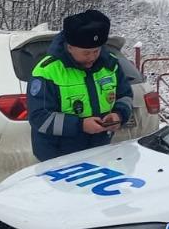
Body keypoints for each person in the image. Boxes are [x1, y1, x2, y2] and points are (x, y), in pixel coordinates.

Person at [27, 9, 134, 162]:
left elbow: (126, 96)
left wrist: (119, 114)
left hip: (99, 151)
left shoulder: (110, 64)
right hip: (57, 158)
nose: (92, 57)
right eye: (86, 53)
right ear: (69, 47)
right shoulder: (47, 71)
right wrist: (80, 125)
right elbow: (39, 117)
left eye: (96, 51)